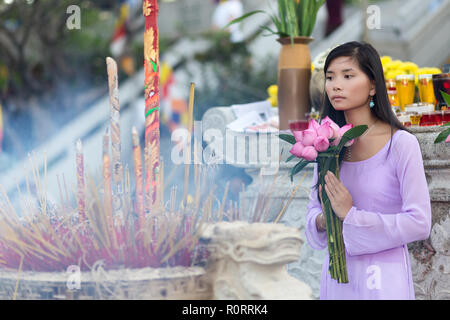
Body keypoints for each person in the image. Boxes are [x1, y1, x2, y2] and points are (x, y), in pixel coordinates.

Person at [305, 41, 432, 299]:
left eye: (348, 76)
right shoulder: (327, 144)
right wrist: (325, 218)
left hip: (382, 279)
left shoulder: (400, 144)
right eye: (330, 77)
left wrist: (351, 216)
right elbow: (313, 211)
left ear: (373, 85)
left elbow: (420, 223)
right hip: (337, 280)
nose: (336, 85)